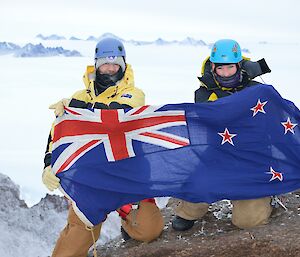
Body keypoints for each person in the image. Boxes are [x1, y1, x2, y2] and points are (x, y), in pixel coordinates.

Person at [42, 37, 164, 257]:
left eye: (115, 63)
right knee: (73, 243)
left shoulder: (133, 93)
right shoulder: (79, 98)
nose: (110, 68)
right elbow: (58, 133)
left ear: (123, 66)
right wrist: (49, 163)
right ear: (96, 65)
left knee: (149, 230)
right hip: (91, 177)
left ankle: (125, 215)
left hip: (128, 173)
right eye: (105, 64)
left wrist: (75, 108)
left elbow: (115, 116)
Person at [172, 39, 273, 231]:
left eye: (230, 68)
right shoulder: (204, 93)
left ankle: (268, 195)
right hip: (218, 156)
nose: (225, 73)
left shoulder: (256, 90)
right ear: (213, 68)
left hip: (252, 159)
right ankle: (192, 209)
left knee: (247, 221)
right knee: (194, 198)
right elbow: (208, 120)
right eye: (220, 69)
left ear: (239, 66)